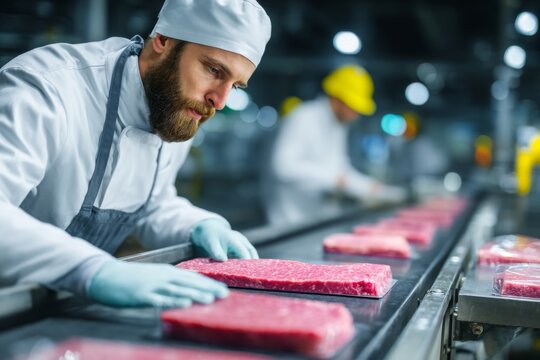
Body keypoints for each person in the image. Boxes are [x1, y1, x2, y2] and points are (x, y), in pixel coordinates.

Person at [0, 0, 271, 308]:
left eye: (235, 85)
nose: (219, 101)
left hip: (67, 305)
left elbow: (150, 205)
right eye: (213, 70)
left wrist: (198, 225)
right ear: (163, 41)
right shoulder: (48, 88)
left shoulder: (175, 107)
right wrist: (90, 268)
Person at [265, 65, 406, 225]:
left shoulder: (338, 126)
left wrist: (373, 188)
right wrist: (336, 179)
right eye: (353, 107)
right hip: (291, 220)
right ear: (336, 98)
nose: (356, 114)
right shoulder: (304, 116)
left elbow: (340, 168)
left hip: (318, 219)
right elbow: (283, 166)